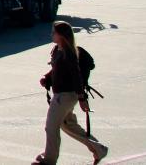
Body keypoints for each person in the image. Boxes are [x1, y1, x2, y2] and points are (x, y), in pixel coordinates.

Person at [35, 21, 108, 164]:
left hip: (65, 96)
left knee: (51, 127)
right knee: (68, 125)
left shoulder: (69, 53)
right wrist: (47, 77)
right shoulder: (57, 50)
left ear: (61, 35)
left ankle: (48, 160)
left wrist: (82, 98)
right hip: (61, 95)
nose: (51, 35)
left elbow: (76, 76)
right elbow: (56, 70)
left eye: (54, 32)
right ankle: (99, 149)